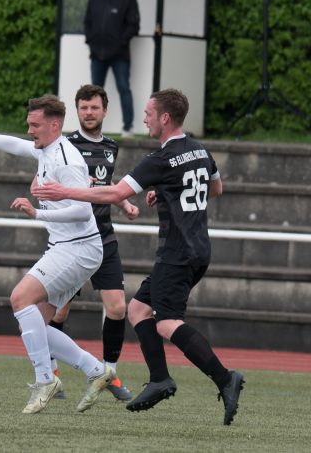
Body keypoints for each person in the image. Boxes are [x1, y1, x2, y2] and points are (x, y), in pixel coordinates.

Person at [34, 88, 245, 426]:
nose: (144, 119)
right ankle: (160, 378)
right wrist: (168, 191)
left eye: (148, 114)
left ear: (165, 118)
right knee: (137, 309)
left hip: (177, 252)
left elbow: (116, 192)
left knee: (167, 322)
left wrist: (65, 191)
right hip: (198, 249)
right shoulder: (200, 150)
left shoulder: (160, 159)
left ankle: (225, 378)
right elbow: (216, 189)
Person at [0, 95, 115, 415]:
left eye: (35, 125)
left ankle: (45, 380)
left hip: (78, 247)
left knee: (20, 299)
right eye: (29, 124)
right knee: (34, 324)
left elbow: (82, 211)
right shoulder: (47, 148)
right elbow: (16, 145)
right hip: (69, 246)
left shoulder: (67, 160)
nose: (29, 130)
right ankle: (96, 370)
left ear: (54, 125)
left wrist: (37, 214)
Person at [43, 84, 140, 402]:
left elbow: (105, 183)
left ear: (104, 111)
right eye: (83, 108)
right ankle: (51, 375)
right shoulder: (65, 146)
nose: (88, 113)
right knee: (58, 313)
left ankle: (108, 375)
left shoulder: (111, 146)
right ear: (77, 111)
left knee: (118, 308)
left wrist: (123, 203)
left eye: (94, 107)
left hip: (104, 237)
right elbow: (47, 184)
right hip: (73, 240)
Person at [84, 0, 139, 137]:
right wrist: (91, 41)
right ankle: (92, 128)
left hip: (119, 55)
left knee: (124, 88)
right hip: (97, 54)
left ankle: (128, 127)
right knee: (94, 93)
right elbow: (87, 22)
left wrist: (120, 43)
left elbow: (133, 26)